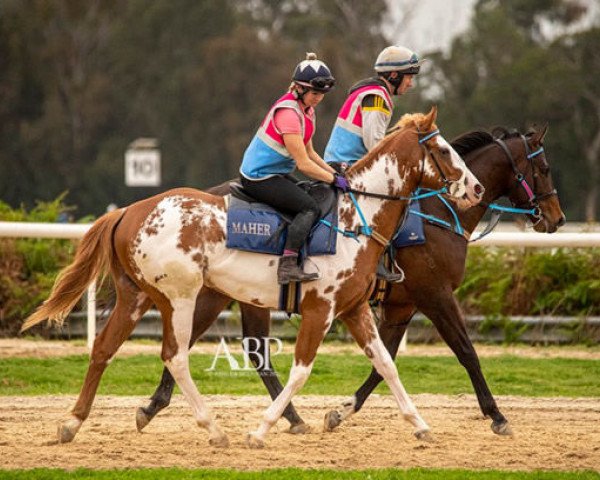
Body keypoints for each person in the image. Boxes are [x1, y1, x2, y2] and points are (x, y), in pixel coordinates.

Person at [239, 53, 349, 285]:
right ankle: (287, 267)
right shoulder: (289, 114)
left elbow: (311, 152)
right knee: (309, 208)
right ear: (299, 89)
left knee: (310, 194)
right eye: (315, 93)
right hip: (259, 177)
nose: (319, 98)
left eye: (322, 94)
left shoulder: (306, 110)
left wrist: (333, 173)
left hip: (274, 173)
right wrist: (332, 179)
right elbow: (303, 164)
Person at [324, 45, 424, 282]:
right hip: (348, 165)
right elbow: (375, 144)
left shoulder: (373, 91)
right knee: (399, 199)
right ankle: (376, 258)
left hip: (346, 161)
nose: (410, 83)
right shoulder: (378, 97)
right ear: (393, 75)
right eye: (409, 77)